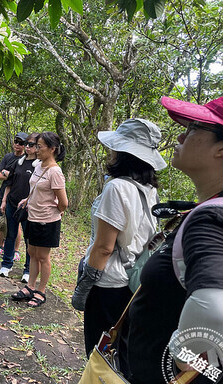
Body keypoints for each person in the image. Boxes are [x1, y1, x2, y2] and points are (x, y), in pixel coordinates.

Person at [116, 97, 223, 384]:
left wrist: (181, 356)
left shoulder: (211, 219)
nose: (180, 135)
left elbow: (214, 309)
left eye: (194, 128)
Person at [70, 118, 166, 356]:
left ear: (123, 152)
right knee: (119, 351)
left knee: (99, 351)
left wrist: (84, 287)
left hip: (108, 282)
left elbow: (104, 247)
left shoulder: (117, 188)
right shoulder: (148, 189)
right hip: (133, 279)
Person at [12, 132, 68, 308]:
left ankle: (41, 291)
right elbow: (35, 188)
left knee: (43, 257)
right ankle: (30, 286)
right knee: (32, 253)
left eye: (40, 146)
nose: (36, 150)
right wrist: (27, 199)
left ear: (52, 149)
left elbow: (64, 203)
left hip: (47, 221)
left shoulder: (55, 172)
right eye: (36, 146)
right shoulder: (38, 166)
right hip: (32, 216)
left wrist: (52, 212)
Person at [0, 133, 39, 283]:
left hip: (29, 208)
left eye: (31, 144)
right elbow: (9, 183)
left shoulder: (40, 166)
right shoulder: (18, 163)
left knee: (29, 239)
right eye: (26, 144)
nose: (27, 147)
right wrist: (4, 201)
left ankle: (28, 269)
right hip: (12, 203)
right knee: (10, 234)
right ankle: (6, 264)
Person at [0, 132, 28, 257]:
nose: (17, 145)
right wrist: (8, 175)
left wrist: (8, 174)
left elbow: (23, 178)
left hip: (18, 194)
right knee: (1, 220)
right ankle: (2, 246)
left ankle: (16, 250)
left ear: (25, 145)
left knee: (16, 222)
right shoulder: (8, 157)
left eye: (21, 143)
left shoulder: (26, 159)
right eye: (16, 141)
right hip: (4, 191)